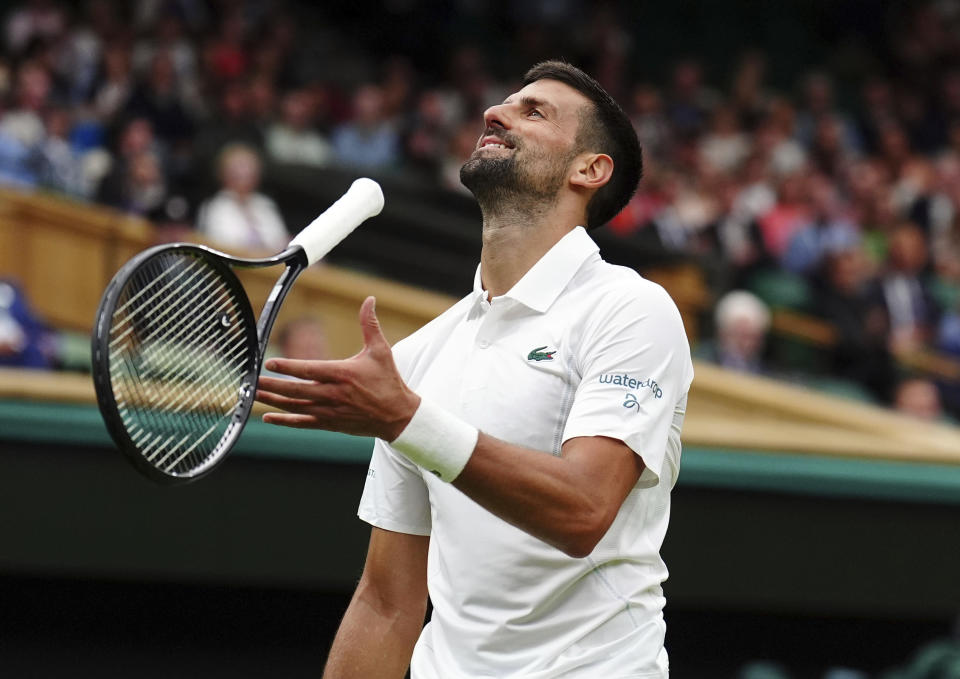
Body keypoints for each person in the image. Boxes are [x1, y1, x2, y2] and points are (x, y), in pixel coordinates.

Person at [256, 60, 693, 678]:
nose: (496, 112)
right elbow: (386, 603)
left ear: (589, 169)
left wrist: (406, 419)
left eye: (533, 111)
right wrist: (403, 414)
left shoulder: (630, 309)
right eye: (505, 103)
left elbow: (582, 511)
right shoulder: (415, 360)